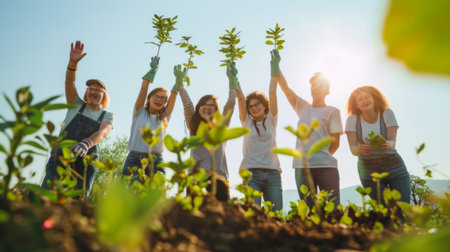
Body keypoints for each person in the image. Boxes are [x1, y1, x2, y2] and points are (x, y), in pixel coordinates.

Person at [41, 41, 113, 194]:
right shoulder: (75, 104)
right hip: (61, 155)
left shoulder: (107, 115)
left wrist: (86, 143)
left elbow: (103, 132)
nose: (93, 92)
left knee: (77, 201)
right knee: (47, 195)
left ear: (104, 95)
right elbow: (70, 82)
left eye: (98, 90)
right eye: (91, 89)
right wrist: (72, 63)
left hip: (86, 162)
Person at [278, 64, 342, 209]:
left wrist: (319, 156)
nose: (316, 88)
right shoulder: (303, 107)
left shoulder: (333, 112)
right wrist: (277, 68)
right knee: (309, 210)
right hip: (302, 168)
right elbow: (286, 89)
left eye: (320, 85)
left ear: (327, 90)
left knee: (332, 210)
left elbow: (335, 142)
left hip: (326, 167)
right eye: (313, 85)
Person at [177, 63, 238, 201]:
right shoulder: (194, 125)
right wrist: (180, 86)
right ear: (199, 108)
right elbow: (187, 105)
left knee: (221, 219)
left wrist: (232, 79)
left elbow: (230, 104)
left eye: (212, 105)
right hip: (196, 178)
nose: (208, 107)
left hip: (219, 179)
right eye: (204, 104)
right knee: (194, 219)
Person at [345, 86, 410, 205]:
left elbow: (392, 143)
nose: (364, 101)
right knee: (384, 211)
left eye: (367, 97)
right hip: (368, 169)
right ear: (356, 105)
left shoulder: (387, 113)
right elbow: (353, 150)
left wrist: (386, 143)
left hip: (394, 166)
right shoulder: (352, 120)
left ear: (374, 98)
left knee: (402, 209)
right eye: (360, 100)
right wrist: (359, 149)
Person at [236, 50, 282, 211]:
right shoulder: (247, 122)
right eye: (251, 107)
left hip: (273, 174)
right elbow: (241, 99)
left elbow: (272, 92)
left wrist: (274, 69)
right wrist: (235, 79)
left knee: (276, 214)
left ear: (264, 105)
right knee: (253, 214)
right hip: (251, 174)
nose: (254, 108)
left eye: (257, 104)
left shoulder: (272, 120)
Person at [121, 57, 179, 183]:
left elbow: (173, 98)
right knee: (130, 193)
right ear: (149, 98)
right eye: (156, 96)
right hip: (134, 158)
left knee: (155, 195)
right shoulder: (139, 112)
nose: (159, 100)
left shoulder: (164, 118)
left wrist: (178, 83)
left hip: (156, 160)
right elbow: (143, 89)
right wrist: (152, 72)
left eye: (163, 99)